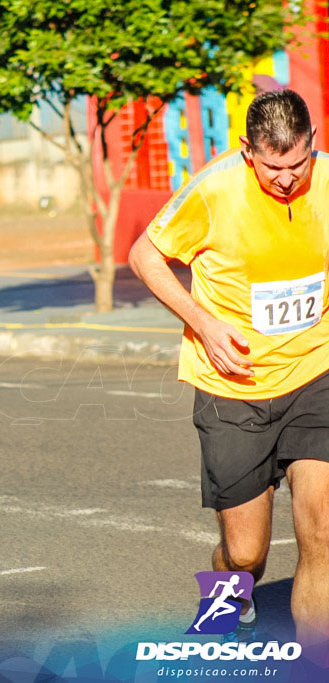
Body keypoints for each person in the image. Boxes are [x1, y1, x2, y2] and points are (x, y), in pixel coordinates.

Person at [128, 89, 329, 651]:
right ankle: (226, 595)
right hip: (233, 387)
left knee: (322, 535)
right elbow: (145, 255)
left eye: (299, 163)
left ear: (313, 143)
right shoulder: (214, 190)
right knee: (246, 553)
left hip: (316, 374)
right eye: (273, 166)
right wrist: (204, 324)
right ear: (247, 151)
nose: (288, 178)